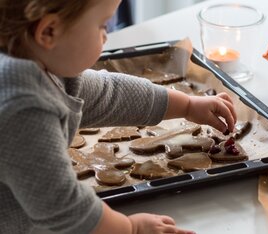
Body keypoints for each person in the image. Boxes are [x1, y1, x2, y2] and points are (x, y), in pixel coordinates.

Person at [0, 0, 237, 233]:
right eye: (103, 26)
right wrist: (131, 228)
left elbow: (110, 94)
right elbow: (64, 207)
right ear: (49, 31)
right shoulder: (23, 109)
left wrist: (187, 105)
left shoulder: (41, 61)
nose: (106, 37)